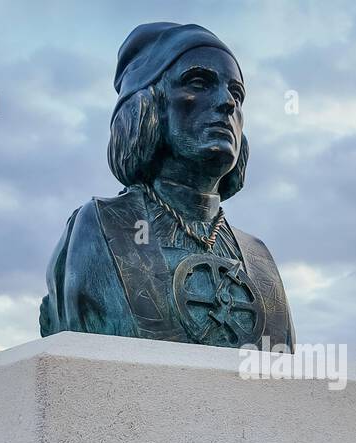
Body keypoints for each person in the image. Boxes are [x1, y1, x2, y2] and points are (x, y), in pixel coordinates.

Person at [40, 22, 295, 349]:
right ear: (148, 105)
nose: (227, 103)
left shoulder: (258, 256)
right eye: (199, 83)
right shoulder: (101, 228)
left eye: (236, 92)